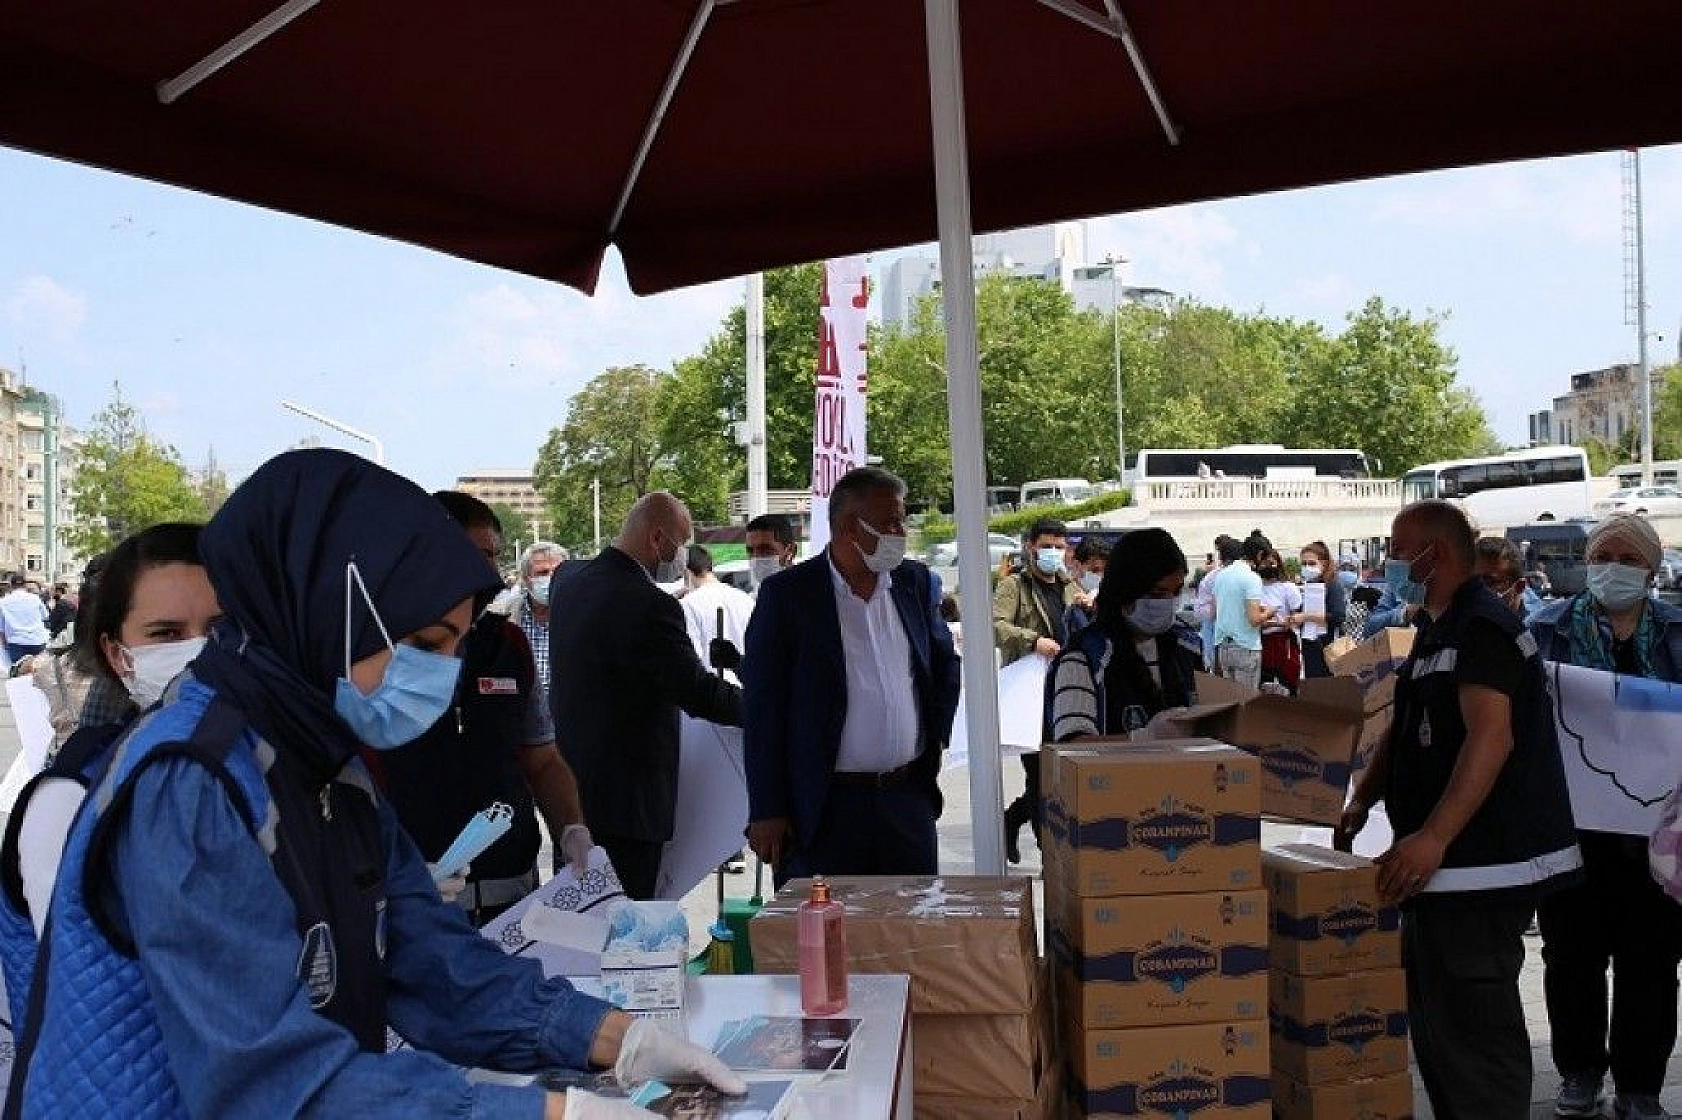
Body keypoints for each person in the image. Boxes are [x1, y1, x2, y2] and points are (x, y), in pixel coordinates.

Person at [10, 449, 744, 1118]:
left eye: (453, 647)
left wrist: (619, 1041)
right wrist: (553, 1115)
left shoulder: (323, 758)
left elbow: (432, 961)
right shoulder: (194, 778)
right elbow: (277, 1084)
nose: (441, 674)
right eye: (425, 644)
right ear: (332, 609)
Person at [1339, 500, 1581, 1120]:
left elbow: (1490, 738)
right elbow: (1406, 723)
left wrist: (1433, 839)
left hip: (1481, 866)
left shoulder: (1482, 627)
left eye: (1396, 548)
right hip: (1443, 873)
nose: (1389, 561)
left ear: (1434, 554)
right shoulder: (1436, 627)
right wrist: (1364, 799)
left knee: (1476, 1038)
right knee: (1441, 1033)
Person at [0, 524, 218, 1041]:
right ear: (118, 653)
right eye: (166, 635)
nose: (200, 652)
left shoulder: (253, 766)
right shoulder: (72, 798)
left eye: (221, 629)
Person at [1526, 514, 1682, 1120]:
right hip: (1574, 825)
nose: (1611, 568)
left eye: (1626, 558)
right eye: (1601, 556)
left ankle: (1640, 1086)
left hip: (1660, 831)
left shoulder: (1676, 630)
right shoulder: (1546, 630)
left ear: (1649, 569)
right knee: (1571, 955)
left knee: (1653, 959)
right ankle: (1579, 1073)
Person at [742, 466, 960, 887]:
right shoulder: (788, 597)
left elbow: (944, 663)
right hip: (824, 808)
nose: (900, 531)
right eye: (888, 522)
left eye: (901, 519)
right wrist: (767, 808)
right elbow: (763, 707)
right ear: (847, 529)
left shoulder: (914, 583)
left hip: (905, 799)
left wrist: (937, 732)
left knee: (907, 934)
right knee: (825, 942)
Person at [381, 493, 591, 925]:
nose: (491, 573)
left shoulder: (509, 646)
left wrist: (572, 829)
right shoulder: (377, 655)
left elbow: (543, 759)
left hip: (512, 898)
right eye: (477, 557)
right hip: (415, 901)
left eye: (493, 556)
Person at [549, 492, 742, 900]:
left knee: (580, 925)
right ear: (658, 538)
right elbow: (695, 690)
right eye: (682, 542)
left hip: (573, 797)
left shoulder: (568, 581)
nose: (683, 556)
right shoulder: (649, 604)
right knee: (627, 935)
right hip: (630, 807)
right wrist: (763, 709)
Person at [1045, 528, 1200, 742]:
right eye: (1157, 594)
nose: (1169, 602)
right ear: (1125, 593)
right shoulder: (1086, 658)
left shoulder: (1187, 648)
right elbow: (1073, 745)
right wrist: (1143, 739)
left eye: (1176, 592)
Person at [992, 517, 1081, 863]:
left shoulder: (1070, 586)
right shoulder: (1015, 586)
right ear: (1031, 546)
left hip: (1066, 690)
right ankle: (1051, 857)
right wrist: (1033, 641)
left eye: (1059, 547)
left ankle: (1012, 819)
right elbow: (997, 625)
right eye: (1047, 546)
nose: (1053, 553)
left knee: (1057, 774)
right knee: (1040, 775)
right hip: (1030, 692)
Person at [488, 540, 567, 689]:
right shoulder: (499, 615)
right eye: (543, 573)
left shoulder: (584, 616)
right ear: (526, 579)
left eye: (558, 572)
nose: (552, 578)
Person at [678, 545, 755, 681]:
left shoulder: (688, 604)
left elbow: (692, 657)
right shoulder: (745, 599)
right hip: (745, 687)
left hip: (713, 693)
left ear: (687, 572)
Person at [1210, 532, 1274, 688]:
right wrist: (1269, 612)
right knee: (1247, 702)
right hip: (1246, 647)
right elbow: (1254, 619)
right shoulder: (1252, 578)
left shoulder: (1221, 575)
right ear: (1259, 555)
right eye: (1266, 560)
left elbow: (1215, 611)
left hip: (1223, 647)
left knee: (1232, 700)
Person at [1295, 540, 1346, 678]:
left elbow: (1338, 616)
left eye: (1311, 563)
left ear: (1323, 563)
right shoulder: (1308, 585)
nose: (1307, 567)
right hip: (1310, 645)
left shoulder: (1333, 585)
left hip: (1328, 645)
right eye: (1304, 564)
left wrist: (1306, 617)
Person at [1255, 547, 1303, 694]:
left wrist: (1286, 623)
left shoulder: (1288, 587)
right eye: (1263, 564)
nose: (1267, 567)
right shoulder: (1254, 588)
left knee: (1289, 680)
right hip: (1262, 641)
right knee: (1265, 684)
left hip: (1284, 641)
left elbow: (1296, 618)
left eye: (1271, 563)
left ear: (1278, 564)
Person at [1193, 536, 1237, 670]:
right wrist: (1216, 606)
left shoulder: (1248, 577)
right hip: (1217, 638)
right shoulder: (1212, 578)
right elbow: (1200, 611)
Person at [1472, 536, 1542, 621]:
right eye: (1472, 582)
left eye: (1489, 583)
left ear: (1519, 586)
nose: (1476, 591)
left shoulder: (1539, 628)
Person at [0, 573, 50, 666]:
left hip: (16, 642)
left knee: (18, 672)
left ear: (10, 585)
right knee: (38, 671)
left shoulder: (3, 602)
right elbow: (45, 616)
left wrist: (4, 645)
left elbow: (1, 628)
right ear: (24, 585)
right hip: (37, 640)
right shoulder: (35, 598)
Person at [744, 512, 798, 591]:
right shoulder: (756, 596)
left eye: (765, 549)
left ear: (790, 550)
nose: (755, 558)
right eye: (750, 551)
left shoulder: (810, 594)